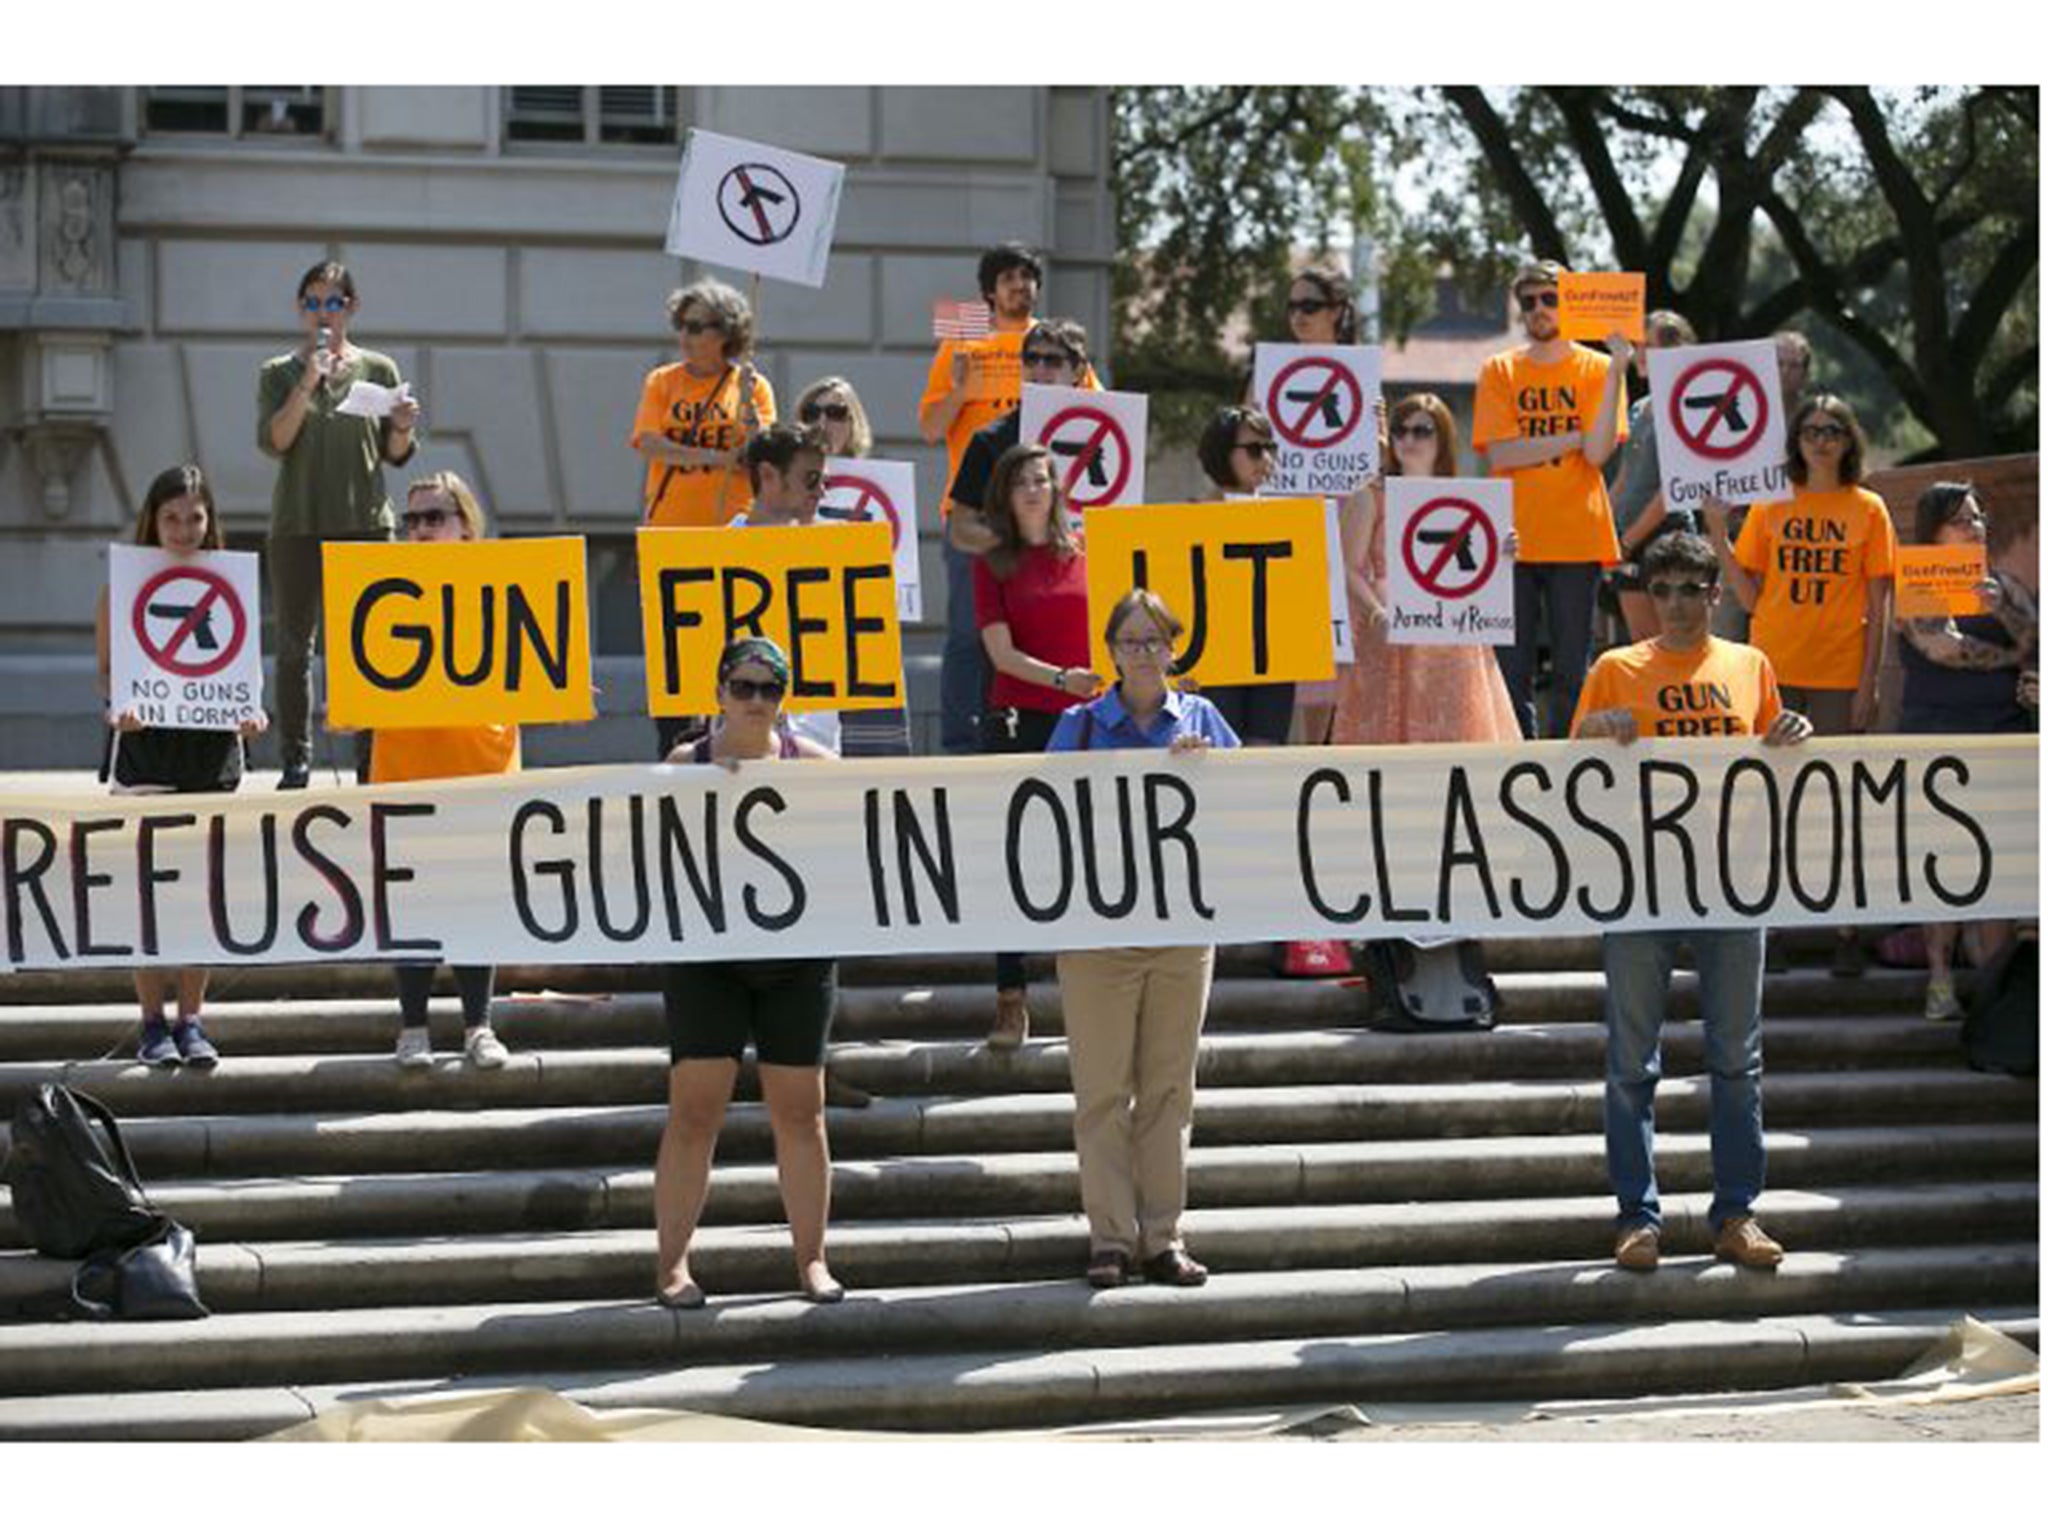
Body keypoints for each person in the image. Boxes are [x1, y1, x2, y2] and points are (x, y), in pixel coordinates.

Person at [1572, 531, 1814, 1273]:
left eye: (1690, 589)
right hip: (1640, 884)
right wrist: (1593, 730)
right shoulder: (1615, 668)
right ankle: (1637, 1217)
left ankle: (1737, 1213)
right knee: (1629, 1062)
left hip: (1732, 883)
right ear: (1648, 596)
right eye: (1663, 589)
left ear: (1715, 595)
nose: (1675, 605)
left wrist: (1793, 733)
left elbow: (1776, 756)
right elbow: (1564, 767)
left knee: (1738, 1058)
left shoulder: (1750, 665)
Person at [1047, 589, 1240, 1288]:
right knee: (1101, 1092)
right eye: (1130, 641)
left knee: (1167, 1091)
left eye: (1154, 640)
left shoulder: (1205, 720)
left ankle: (1163, 1236)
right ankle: (1109, 1238)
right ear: (1111, 651)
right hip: (1098, 934)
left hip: (1184, 930)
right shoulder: (1079, 725)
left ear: (1174, 648)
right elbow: (1045, 812)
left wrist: (1209, 771)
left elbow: (1250, 802)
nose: (1143, 653)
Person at [652, 636, 844, 1310]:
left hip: (797, 957)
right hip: (708, 960)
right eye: (744, 686)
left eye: (770, 689)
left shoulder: (816, 766)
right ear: (719, 692)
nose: (757, 701)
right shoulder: (686, 763)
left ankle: (812, 1261)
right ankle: (672, 1266)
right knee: (694, 1111)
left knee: (803, 1113)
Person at [1702, 393, 1896, 978]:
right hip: (1774, 670)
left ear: (1849, 439)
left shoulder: (1869, 508)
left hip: (1840, 672)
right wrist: (1716, 531)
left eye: (1833, 428)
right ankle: (1773, 928)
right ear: (1796, 439)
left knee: (1836, 803)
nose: (1821, 438)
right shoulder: (1770, 504)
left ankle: (1845, 931)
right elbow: (1752, 596)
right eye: (1811, 429)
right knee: (1768, 800)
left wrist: (1870, 683)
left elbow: (1880, 606)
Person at [94, 465, 269, 1068]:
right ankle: (150, 1023)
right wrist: (121, 709)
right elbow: (109, 672)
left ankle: (192, 1021)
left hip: (211, 757)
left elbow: (244, 670)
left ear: (211, 520)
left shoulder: (233, 583)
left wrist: (254, 717)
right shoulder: (125, 585)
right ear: (153, 520)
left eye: (195, 517)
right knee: (148, 895)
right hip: (145, 754)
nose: (184, 529)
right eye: (171, 517)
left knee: (201, 895)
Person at [368, 473, 517, 1071]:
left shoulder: (500, 588)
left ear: (465, 524)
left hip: (480, 762)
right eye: (412, 521)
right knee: (413, 902)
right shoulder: (380, 591)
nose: (421, 530)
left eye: (433, 517)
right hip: (407, 764)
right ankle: (413, 1027)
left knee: (476, 900)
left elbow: (526, 661)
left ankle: (480, 1025)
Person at [257, 259, 418, 789]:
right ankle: (296, 759)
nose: (323, 314)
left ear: (351, 308)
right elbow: (277, 441)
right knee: (293, 646)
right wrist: (308, 380)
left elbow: (396, 455)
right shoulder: (278, 371)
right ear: (301, 309)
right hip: (298, 524)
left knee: (366, 647)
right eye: (312, 303)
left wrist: (400, 425)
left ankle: (369, 754)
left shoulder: (379, 369)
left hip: (365, 523)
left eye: (333, 302)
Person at [972, 444, 1103, 1050]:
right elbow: (1000, 655)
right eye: (1021, 481)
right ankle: (1010, 999)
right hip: (1019, 721)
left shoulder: (1086, 554)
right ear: (1005, 493)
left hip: (1086, 724)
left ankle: (1086, 997)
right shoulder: (992, 562)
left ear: (1056, 489)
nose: (1032, 490)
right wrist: (1060, 679)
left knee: (1084, 858)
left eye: (1042, 479)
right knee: (1014, 862)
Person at [1471, 259, 1631, 737]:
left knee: (1570, 670)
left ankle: (1568, 764)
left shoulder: (1601, 366)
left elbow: (1599, 450)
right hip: (1512, 538)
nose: (1538, 308)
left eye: (1549, 298)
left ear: (1570, 303)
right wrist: (1571, 438)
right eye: (1529, 301)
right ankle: (1517, 762)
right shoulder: (1499, 369)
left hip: (1577, 536)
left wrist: (1621, 366)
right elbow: (1501, 450)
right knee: (1511, 667)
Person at [1895, 482, 2035, 1021]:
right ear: (1933, 528)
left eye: (1977, 519)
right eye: (1961, 520)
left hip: (2000, 734)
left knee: (1994, 862)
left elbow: (2036, 638)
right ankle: (1940, 978)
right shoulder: (1917, 579)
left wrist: (2007, 613)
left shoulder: (1999, 583)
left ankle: (1994, 987)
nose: (1974, 528)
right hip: (1937, 734)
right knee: (1944, 859)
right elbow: (1942, 648)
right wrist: (2008, 659)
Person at [1334, 391, 1522, 746]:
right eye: (1400, 430)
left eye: (1421, 431)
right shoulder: (1370, 495)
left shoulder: (1464, 498)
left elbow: (1473, 574)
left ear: (1443, 439)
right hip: (1389, 637)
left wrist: (1503, 553)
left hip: (1454, 639)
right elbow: (1347, 568)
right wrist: (1377, 615)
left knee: (1458, 740)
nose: (1408, 439)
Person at [923, 242, 1051, 756]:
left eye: (1027, 276)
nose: (1019, 285)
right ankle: (961, 746)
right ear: (988, 292)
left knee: (1036, 633)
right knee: (966, 637)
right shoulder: (964, 339)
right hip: (973, 517)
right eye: (1008, 277)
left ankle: (1032, 737)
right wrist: (957, 391)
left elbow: (1098, 421)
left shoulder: (1051, 344)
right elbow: (932, 427)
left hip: (1042, 517)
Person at [796, 375, 910, 759]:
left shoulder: (882, 484)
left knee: (873, 752)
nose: (823, 422)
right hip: (810, 627)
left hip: (865, 627)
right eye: (812, 412)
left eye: (836, 412)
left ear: (854, 421)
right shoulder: (788, 486)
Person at [1274, 264, 1360, 747]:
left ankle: (1322, 762)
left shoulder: (1360, 376)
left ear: (1337, 312)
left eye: (1310, 305)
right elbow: (1244, 439)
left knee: (1334, 663)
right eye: (1292, 306)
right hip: (1285, 524)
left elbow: (1378, 455)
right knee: (1290, 663)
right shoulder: (1270, 372)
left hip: (1343, 527)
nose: (1299, 316)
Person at [1190, 405, 1295, 745]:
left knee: (1264, 758)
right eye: (1253, 449)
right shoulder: (1189, 517)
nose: (1265, 459)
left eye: (1270, 449)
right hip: (1213, 657)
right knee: (1216, 758)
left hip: (1274, 657)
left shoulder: (1287, 520)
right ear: (1222, 453)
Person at [631, 279, 774, 529]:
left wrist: (748, 403)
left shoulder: (754, 385)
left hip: (735, 526)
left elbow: (763, 454)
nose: (684, 335)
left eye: (695, 327)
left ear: (725, 333)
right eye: (681, 325)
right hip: (671, 526)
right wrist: (716, 458)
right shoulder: (662, 381)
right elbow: (649, 444)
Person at [1603, 310, 1699, 642]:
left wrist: (1627, 542)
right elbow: (1625, 477)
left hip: (1667, 538)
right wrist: (1604, 531)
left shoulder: (1686, 405)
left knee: (1671, 643)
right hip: (1629, 540)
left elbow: (1673, 490)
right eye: (1637, 345)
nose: (1638, 354)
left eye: (1648, 346)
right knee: (1642, 645)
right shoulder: (1638, 406)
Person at [1712, 332, 1813, 644]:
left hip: (1793, 543)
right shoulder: (1735, 407)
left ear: (1805, 373)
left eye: (1793, 365)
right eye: (1777, 362)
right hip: (1737, 536)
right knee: (1726, 634)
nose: (1784, 371)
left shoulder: (1817, 421)